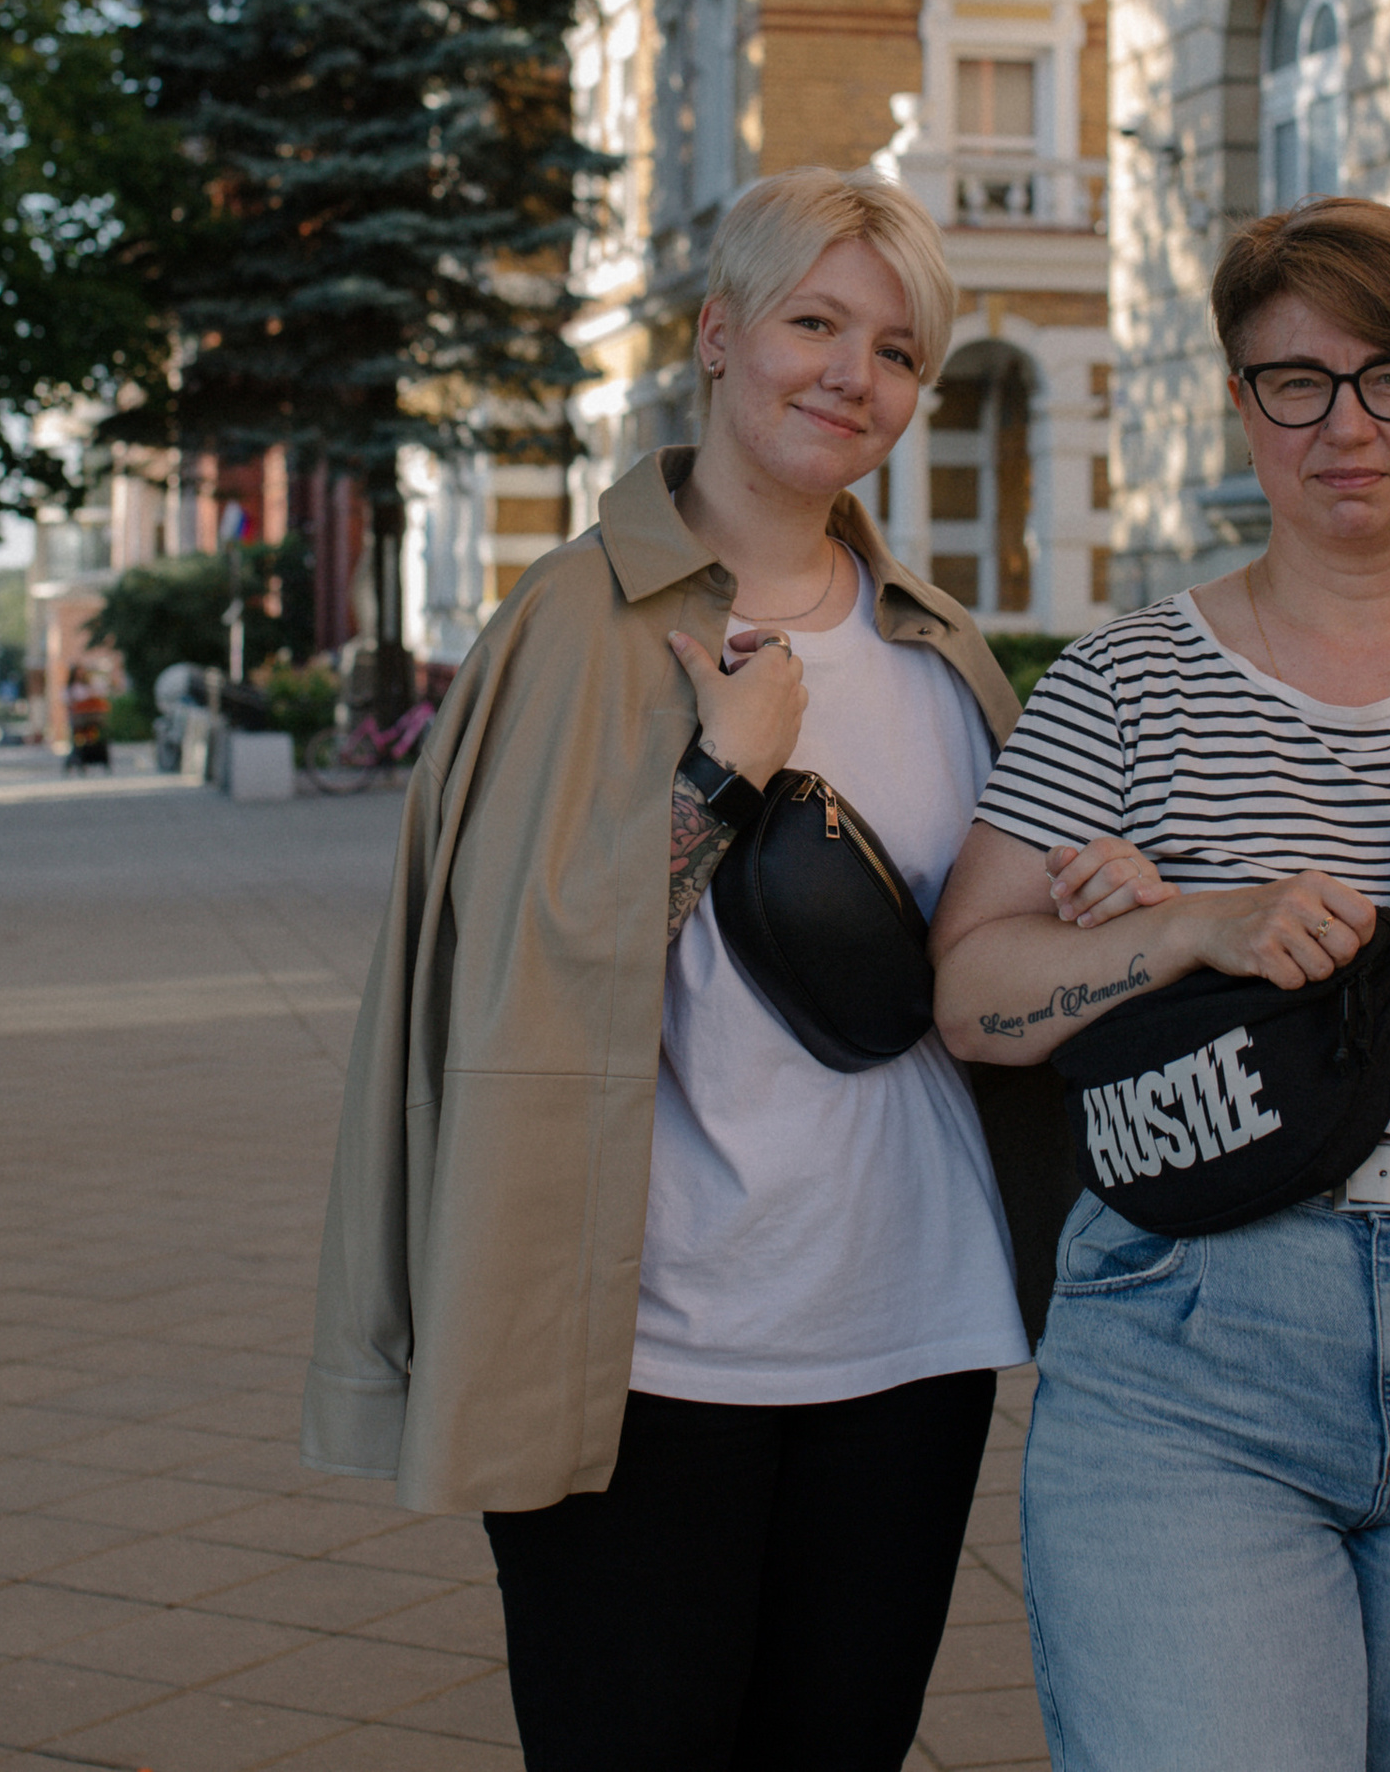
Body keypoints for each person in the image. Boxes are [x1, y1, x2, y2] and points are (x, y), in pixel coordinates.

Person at [304, 166, 1159, 1772]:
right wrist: (716, 783)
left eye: (898, 350)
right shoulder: (575, 625)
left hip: (908, 1325)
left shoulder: (936, 646)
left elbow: (972, 980)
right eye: (815, 323)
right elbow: (515, 990)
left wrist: (1094, 911)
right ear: (716, 336)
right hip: (648, 1352)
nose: (854, 375)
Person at [932, 195, 1390, 1772]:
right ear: (1239, 406)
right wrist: (1189, 929)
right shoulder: (1124, 686)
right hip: (1199, 1353)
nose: (1348, 424)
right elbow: (970, 988)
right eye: (1296, 381)